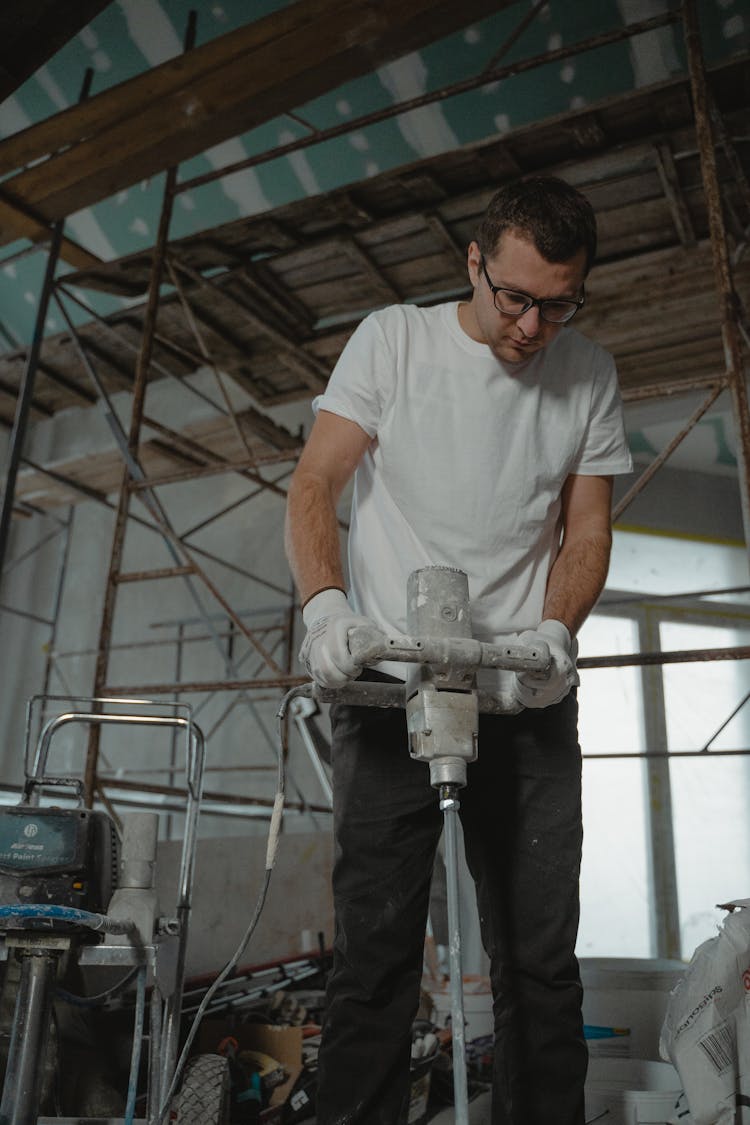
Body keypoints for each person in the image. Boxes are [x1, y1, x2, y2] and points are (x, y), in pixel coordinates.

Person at [284, 176, 633, 1125]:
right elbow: (316, 480)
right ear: (472, 263)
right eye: (514, 296)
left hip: (522, 696)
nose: (531, 326)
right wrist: (325, 609)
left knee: (539, 960)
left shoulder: (588, 372)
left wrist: (555, 633)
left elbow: (588, 532)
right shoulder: (394, 341)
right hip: (391, 688)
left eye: (557, 303)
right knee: (376, 960)